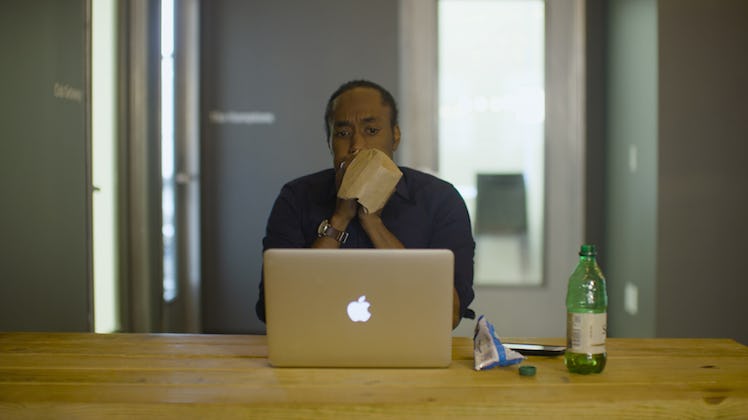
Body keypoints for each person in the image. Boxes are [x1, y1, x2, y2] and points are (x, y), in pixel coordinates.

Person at [256, 79, 475, 328]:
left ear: (395, 136)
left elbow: (449, 314)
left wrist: (372, 222)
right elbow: (274, 308)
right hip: (319, 349)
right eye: (343, 133)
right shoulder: (296, 197)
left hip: (409, 351)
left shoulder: (441, 200)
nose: (357, 146)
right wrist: (339, 219)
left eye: (371, 131)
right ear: (329, 142)